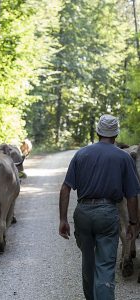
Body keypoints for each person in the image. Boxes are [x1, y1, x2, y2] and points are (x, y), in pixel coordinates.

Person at [58, 114, 140, 300]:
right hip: (107, 214)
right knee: (105, 266)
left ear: (97, 132)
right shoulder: (124, 157)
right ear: (116, 134)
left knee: (88, 263)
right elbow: (132, 196)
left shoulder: (81, 154)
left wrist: (63, 219)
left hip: (83, 213)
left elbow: (65, 189)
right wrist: (133, 223)